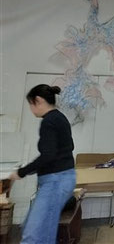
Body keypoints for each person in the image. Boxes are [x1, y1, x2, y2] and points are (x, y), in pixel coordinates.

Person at [9, 84, 76, 243]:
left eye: (31, 105)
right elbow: (63, 149)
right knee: (35, 230)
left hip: (55, 182)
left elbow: (48, 155)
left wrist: (21, 172)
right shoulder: (60, 118)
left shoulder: (49, 121)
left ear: (38, 100)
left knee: (34, 235)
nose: (31, 110)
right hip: (60, 179)